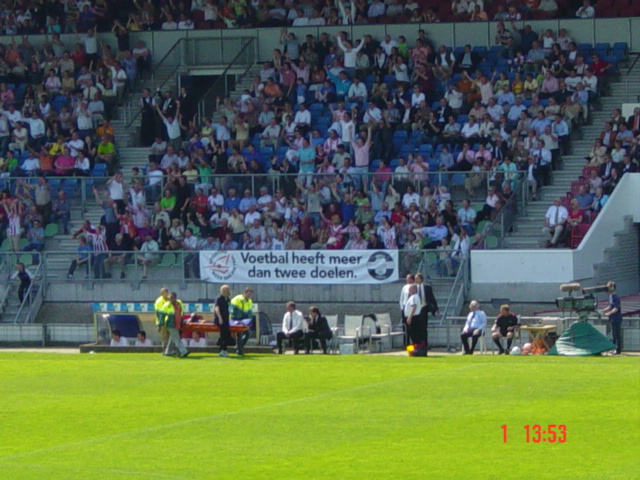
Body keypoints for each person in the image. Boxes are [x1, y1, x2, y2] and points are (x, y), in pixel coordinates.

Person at [161, 291, 189, 358]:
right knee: (177, 339)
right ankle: (184, 351)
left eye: (172, 297)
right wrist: (160, 324)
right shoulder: (166, 305)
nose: (171, 299)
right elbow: (161, 315)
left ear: (175, 298)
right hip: (170, 324)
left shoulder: (179, 304)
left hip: (177, 323)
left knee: (172, 338)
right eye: (170, 297)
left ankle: (168, 352)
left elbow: (181, 312)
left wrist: (182, 320)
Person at [415, 273, 439, 346]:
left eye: (417, 278)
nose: (416, 280)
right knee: (417, 327)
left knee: (424, 326)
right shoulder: (414, 287)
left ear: (421, 279)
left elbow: (432, 298)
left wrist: (436, 308)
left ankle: (424, 343)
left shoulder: (427, 287)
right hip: (416, 309)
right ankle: (417, 343)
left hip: (424, 308)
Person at [229, 287, 254, 355]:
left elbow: (249, 312)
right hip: (235, 320)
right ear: (244, 293)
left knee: (248, 333)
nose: (249, 296)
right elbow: (232, 310)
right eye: (248, 294)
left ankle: (238, 347)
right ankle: (239, 351)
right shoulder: (238, 299)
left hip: (244, 321)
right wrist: (237, 320)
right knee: (239, 334)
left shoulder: (249, 301)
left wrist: (249, 320)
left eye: (250, 294)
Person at [602, 281, 622, 355]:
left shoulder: (616, 297)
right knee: (614, 334)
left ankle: (618, 349)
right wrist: (603, 310)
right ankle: (614, 348)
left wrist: (608, 313)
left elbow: (616, 308)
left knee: (617, 334)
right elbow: (610, 306)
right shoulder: (611, 297)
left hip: (617, 318)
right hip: (612, 318)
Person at [214, 284, 234, 357]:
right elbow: (217, 308)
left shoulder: (228, 299)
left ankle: (223, 349)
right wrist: (219, 318)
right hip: (220, 319)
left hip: (226, 319)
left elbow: (229, 308)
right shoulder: (219, 298)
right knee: (224, 334)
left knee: (227, 334)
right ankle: (223, 350)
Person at [398, 273, 415, 345]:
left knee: (412, 326)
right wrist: (402, 307)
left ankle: (414, 343)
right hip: (405, 308)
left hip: (412, 308)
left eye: (408, 278)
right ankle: (406, 343)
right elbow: (401, 298)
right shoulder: (405, 287)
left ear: (412, 279)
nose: (406, 280)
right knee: (405, 326)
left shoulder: (415, 287)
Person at [154, 287, 170, 352]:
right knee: (164, 337)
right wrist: (159, 324)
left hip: (170, 322)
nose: (167, 293)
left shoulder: (170, 299)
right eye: (165, 292)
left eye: (167, 291)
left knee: (170, 337)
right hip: (163, 322)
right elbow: (158, 314)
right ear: (162, 293)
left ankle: (170, 350)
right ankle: (164, 350)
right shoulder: (159, 301)